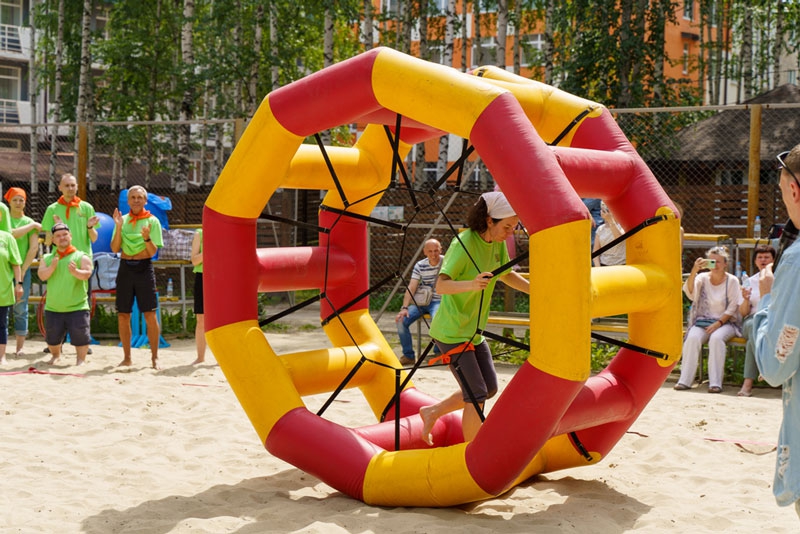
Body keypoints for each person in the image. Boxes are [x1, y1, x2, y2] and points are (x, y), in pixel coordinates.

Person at [419, 192, 530, 445]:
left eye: (513, 227)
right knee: (476, 394)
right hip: (452, 331)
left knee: (488, 388)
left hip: (474, 331)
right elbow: (441, 286)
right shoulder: (464, 243)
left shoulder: (497, 242)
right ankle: (471, 455)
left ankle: (432, 411)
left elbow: (505, 274)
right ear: (489, 220)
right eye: (507, 227)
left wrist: (537, 291)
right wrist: (472, 284)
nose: (510, 233)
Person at [753, 145, 800, 515]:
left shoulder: (796, 261)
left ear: (794, 190)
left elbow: (774, 365)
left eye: (783, 191)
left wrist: (767, 300)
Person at [674, 246, 741, 393]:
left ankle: (715, 383)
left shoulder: (732, 281)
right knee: (692, 338)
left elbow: (732, 307)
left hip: (726, 322)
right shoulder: (702, 278)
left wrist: (718, 323)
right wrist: (694, 271)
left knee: (716, 339)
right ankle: (685, 380)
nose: (715, 265)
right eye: (711, 261)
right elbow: (690, 293)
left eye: (718, 262)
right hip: (703, 320)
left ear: (725, 264)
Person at [111, 185, 164, 370]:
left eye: (139, 197)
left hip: (144, 268)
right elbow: (114, 248)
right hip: (125, 268)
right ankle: (127, 357)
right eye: (132, 197)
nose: (136, 200)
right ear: (128, 201)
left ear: (145, 200)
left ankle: (155, 357)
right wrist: (118, 227)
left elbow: (152, 252)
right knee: (123, 314)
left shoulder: (152, 221)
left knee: (149, 313)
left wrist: (147, 238)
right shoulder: (122, 220)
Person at [37, 223, 93, 366]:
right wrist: (52, 267)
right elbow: (42, 276)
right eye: (58, 236)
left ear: (70, 236)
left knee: (81, 336)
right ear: (53, 240)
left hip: (77, 306)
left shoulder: (81, 256)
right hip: (54, 307)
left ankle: (81, 359)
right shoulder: (47, 258)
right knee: (52, 338)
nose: (62, 238)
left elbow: (87, 274)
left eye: (65, 234)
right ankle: (56, 356)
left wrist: (76, 272)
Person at [5, 188, 41, 358]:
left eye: (21, 200)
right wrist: (32, 226)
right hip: (3, 271)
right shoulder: (4, 219)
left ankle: (19, 348)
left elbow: (33, 248)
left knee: (20, 308)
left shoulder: (28, 221)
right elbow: (10, 234)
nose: (18, 203)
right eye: (15, 200)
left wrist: (24, 269)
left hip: (22, 270)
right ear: (9, 202)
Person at [395, 238, 443, 366]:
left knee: (438, 320)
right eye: (430, 251)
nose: (433, 254)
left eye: (436, 251)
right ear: (424, 252)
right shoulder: (420, 265)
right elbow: (412, 287)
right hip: (421, 301)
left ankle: (438, 352)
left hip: (439, 300)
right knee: (400, 321)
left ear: (441, 250)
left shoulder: (447, 262)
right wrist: (404, 308)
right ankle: (408, 356)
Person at [736, 244, 776, 397]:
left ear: (773, 261)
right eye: (760, 257)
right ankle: (765, 366)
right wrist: (746, 299)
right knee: (755, 326)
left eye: (767, 257)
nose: (763, 260)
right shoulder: (749, 281)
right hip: (752, 319)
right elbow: (743, 312)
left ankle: (747, 385)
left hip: (773, 320)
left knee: (751, 343)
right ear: (755, 261)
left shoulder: (779, 280)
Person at [41, 173, 99, 254]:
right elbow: (48, 242)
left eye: (73, 185)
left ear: (77, 187)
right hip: (61, 257)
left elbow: (94, 239)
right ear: (60, 188)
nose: (70, 188)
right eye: (67, 185)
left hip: (83, 256)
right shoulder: (52, 209)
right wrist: (57, 228)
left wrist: (90, 227)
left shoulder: (87, 208)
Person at [0, 224, 23, 365]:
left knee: (1, 324)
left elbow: (16, 264)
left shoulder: (7, 237)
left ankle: (1, 357)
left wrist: (19, 284)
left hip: (3, 289)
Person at [592, 201, 625, 267]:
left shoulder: (623, 225)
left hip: (621, 266)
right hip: (604, 266)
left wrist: (610, 220)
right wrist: (598, 268)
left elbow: (619, 239)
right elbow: (595, 253)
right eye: (603, 209)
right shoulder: (600, 229)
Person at [190, 228, 205, 365]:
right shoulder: (199, 233)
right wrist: (208, 250)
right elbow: (194, 261)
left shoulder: (226, 232)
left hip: (221, 276)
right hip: (202, 277)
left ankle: (222, 357)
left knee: (221, 320)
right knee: (201, 319)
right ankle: (200, 357)